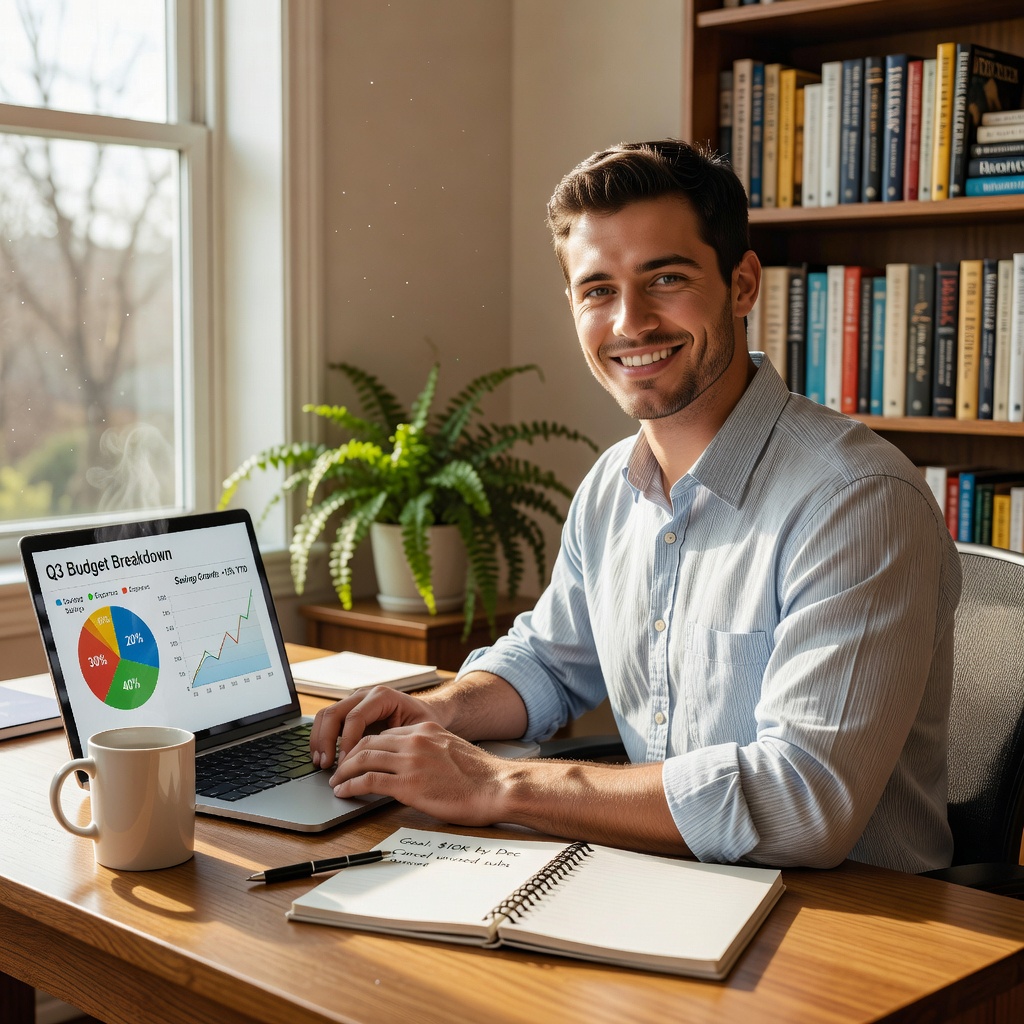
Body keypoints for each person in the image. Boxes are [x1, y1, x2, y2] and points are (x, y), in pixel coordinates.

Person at [310, 140, 961, 871]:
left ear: (741, 284)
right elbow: (551, 664)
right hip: (661, 879)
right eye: (597, 291)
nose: (630, 322)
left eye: (666, 278)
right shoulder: (612, 485)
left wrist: (500, 783)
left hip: (857, 924)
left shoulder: (856, 501)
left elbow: (802, 802)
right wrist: (441, 710)